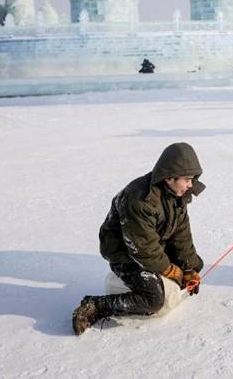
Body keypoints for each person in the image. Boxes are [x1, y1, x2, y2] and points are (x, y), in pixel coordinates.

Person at [72, 143, 206, 335]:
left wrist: (188, 268)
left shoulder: (177, 194)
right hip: (125, 252)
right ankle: (96, 306)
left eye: (192, 179)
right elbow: (142, 248)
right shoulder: (140, 199)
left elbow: (181, 235)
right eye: (187, 179)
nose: (190, 185)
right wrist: (169, 270)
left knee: (190, 268)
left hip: (151, 244)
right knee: (154, 300)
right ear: (170, 177)